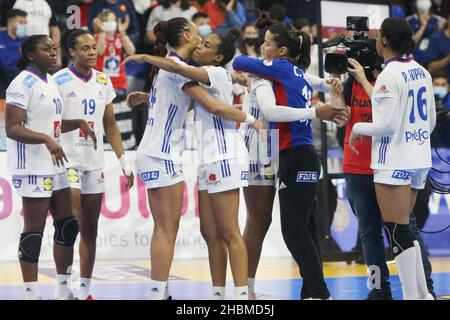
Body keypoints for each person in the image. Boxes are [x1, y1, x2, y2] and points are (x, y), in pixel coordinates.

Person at [124, 17, 263, 300]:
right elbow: (187, 86)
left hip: (197, 154)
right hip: (165, 155)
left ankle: (234, 296)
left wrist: (145, 92)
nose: (201, 41)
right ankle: (161, 294)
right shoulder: (179, 67)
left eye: (208, 43)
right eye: (200, 37)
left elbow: (203, 101)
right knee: (174, 230)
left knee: (216, 231)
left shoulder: (185, 69)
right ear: (187, 33)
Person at [233, 16, 342, 300]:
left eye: (267, 43)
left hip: (286, 152)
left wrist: (320, 103)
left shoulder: (277, 69)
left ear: (281, 50)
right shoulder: (291, 71)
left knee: (291, 228)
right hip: (281, 152)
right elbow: (317, 81)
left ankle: (316, 291)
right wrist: (331, 85)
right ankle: (301, 292)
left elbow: (242, 64)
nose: (262, 46)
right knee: (289, 225)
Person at [349, 17, 436, 300]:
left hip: (394, 160)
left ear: (385, 41)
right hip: (419, 158)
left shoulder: (389, 74)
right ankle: (422, 295)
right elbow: (431, 121)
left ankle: (414, 296)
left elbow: (386, 125)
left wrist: (358, 129)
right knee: (404, 229)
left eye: (378, 36)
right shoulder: (422, 71)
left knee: (397, 231)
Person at [5, 35, 95, 300]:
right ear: (31, 55)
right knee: (33, 233)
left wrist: (76, 122)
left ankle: (63, 289)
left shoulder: (52, 81)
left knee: (68, 225)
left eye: (54, 48)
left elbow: (52, 124)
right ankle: (31, 293)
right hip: (33, 165)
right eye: (46, 49)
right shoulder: (22, 83)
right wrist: (46, 139)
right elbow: (12, 128)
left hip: (56, 164)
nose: (54, 53)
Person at [54, 28, 134, 300]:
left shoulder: (103, 80)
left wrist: (123, 160)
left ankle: (85, 290)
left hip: (94, 161)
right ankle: (63, 288)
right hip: (67, 160)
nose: (92, 52)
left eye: (93, 47)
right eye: (85, 48)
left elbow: (109, 123)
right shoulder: (59, 80)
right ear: (72, 52)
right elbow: (50, 124)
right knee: (71, 224)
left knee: (90, 228)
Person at [93, 9, 136, 150]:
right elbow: (99, 50)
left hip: (119, 83)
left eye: (113, 20)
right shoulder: (95, 37)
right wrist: (101, 32)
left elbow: (131, 51)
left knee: (121, 116)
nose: (110, 23)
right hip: (101, 83)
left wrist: (123, 32)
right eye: (107, 20)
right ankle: (105, 145)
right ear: (101, 23)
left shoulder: (120, 38)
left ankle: (125, 145)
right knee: (105, 115)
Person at [406, 0, 445, 66]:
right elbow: (410, 44)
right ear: (416, 2)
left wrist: (439, 29)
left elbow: (440, 43)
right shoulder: (408, 20)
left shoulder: (439, 20)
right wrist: (423, 27)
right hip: (414, 60)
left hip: (432, 60)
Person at [0, 9, 28, 99]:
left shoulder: (27, 41)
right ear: (10, 23)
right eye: (21, 22)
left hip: (20, 84)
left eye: (25, 23)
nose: (24, 26)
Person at [427, 13, 450, 81]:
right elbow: (431, 67)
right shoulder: (436, 38)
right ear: (448, 21)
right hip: (442, 83)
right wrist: (448, 58)